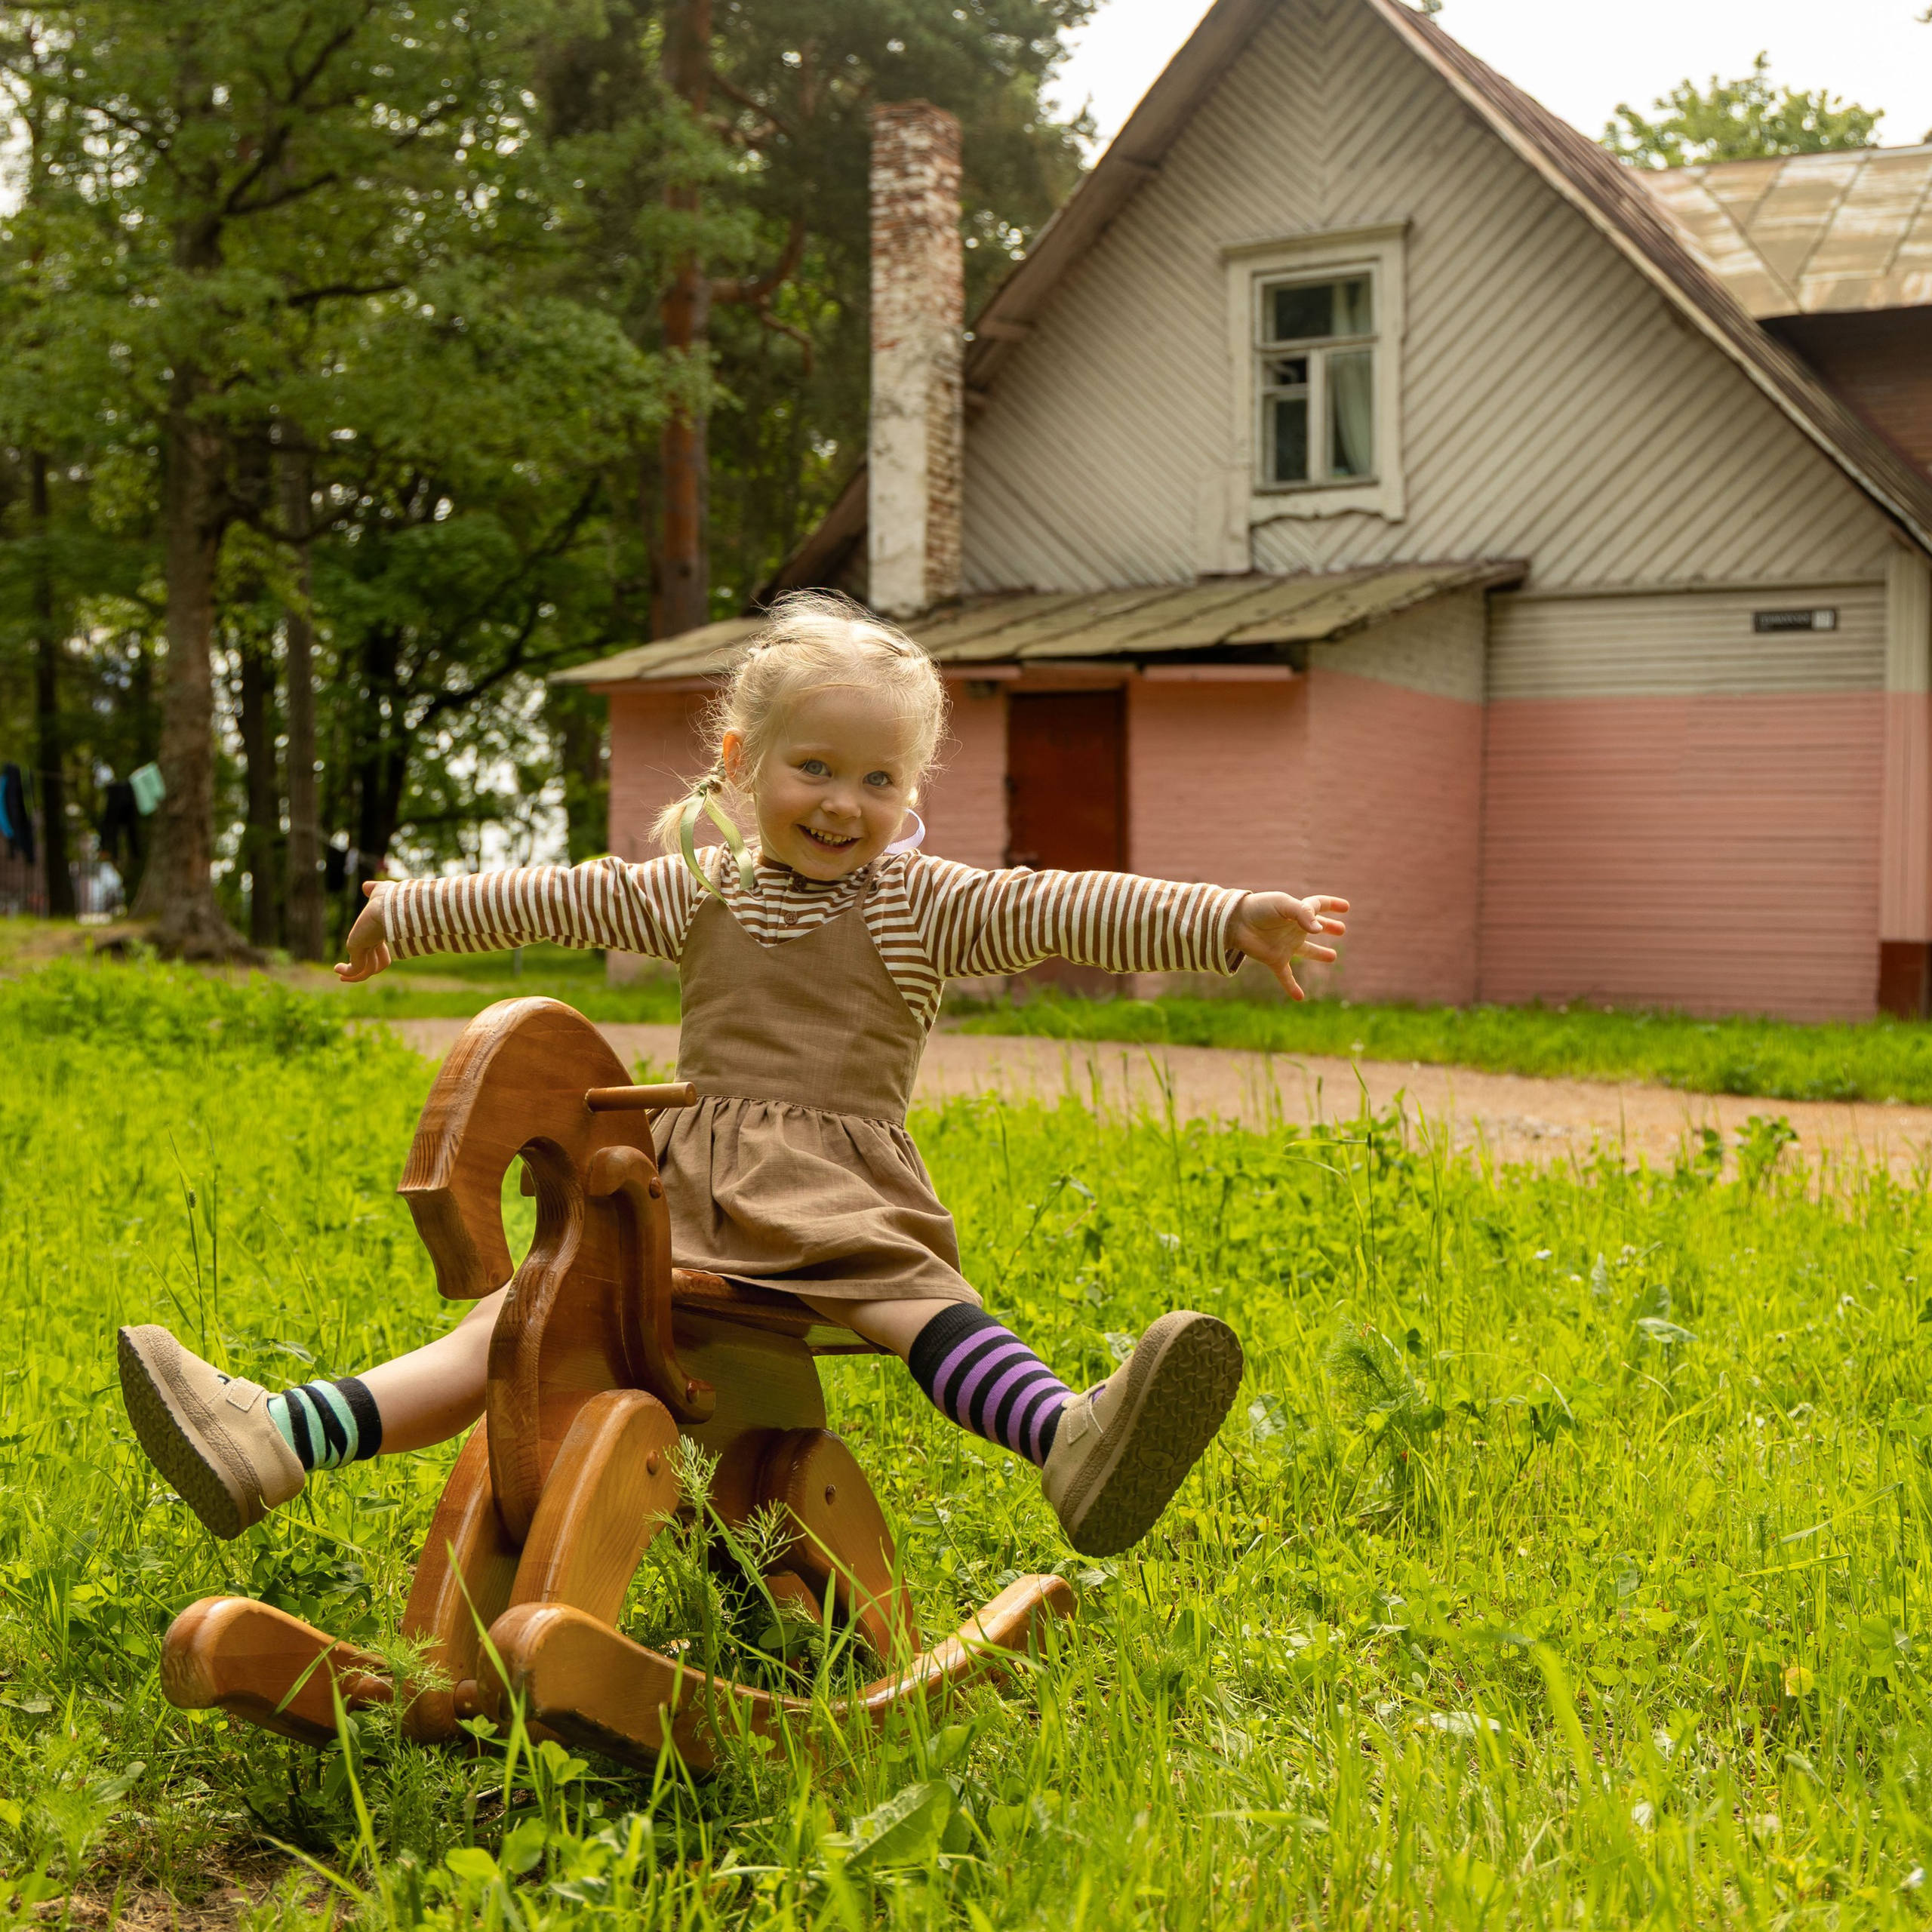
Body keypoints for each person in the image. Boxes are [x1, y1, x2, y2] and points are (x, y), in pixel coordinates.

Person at [117, 592, 1347, 1558]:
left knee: (915, 1305)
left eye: (879, 781)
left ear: (911, 793)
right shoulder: (703, 891)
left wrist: (1226, 919)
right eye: (816, 768)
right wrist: (412, 911)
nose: (844, 804)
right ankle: (280, 1437)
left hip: (836, 1198)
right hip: (675, 1192)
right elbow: (565, 896)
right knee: (517, 1325)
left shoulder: (924, 903)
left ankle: (1067, 1439)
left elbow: (1062, 907)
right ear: (742, 760)